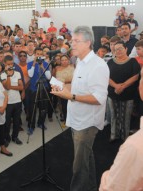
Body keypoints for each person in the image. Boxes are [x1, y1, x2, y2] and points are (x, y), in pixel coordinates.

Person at [51, 26, 109, 191]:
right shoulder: (79, 62)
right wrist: (64, 90)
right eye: (71, 40)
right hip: (76, 118)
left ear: (88, 43)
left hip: (87, 123)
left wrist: (71, 97)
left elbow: (99, 98)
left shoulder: (98, 66)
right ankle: (91, 187)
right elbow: (78, 89)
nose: (72, 44)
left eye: (76, 41)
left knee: (79, 166)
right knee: (86, 158)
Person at [107, 41, 140, 141]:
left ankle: (124, 136)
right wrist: (116, 86)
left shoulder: (133, 61)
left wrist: (122, 86)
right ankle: (114, 135)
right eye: (116, 49)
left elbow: (135, 76)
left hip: (128, 95)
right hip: (113, 94)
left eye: (120, 48)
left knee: (126, 117)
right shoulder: (110, 62)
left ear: (126, 49)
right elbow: (106, 76)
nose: (118, 51)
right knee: (114, 115)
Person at [99, 116, 143, 191]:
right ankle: (116, 134)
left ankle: (121, 134)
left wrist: (105, 176)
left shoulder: (134, 146)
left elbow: (113, 187)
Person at [0, 55, 24, 146]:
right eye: (8, 64)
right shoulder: (2, 74)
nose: (10, 66)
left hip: (17, 101)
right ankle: (7, 138)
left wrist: (11, 87)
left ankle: (15, 137)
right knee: (7, 122)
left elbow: (21, 87)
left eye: (11, 64)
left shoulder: (17, 73)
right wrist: (9, 76)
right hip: (8, 102)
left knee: (17, 121)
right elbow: (6, 87)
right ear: (4, 64)